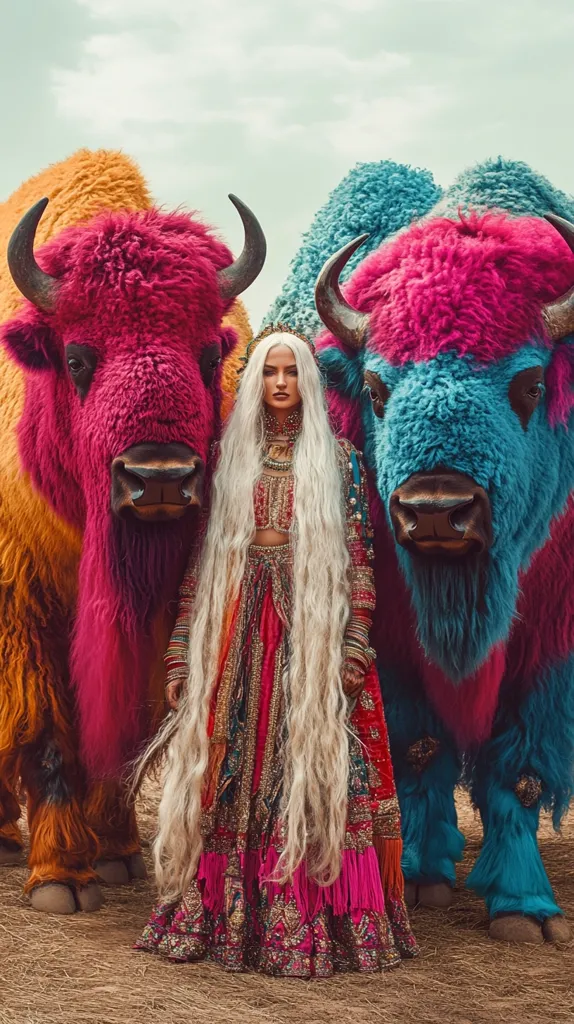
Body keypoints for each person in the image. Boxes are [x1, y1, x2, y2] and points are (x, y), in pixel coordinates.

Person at [133, 324, 417, 977]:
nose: (282, 383)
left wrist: (351, 645)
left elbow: (360, 564)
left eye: (292, 372)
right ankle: (224, 917)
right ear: (255, 382)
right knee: (226, 776)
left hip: (311, 641)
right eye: (270, 372)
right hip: (234, 638)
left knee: (314, 775)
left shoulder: (340, 460)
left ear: (306, 383)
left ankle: (313, 920)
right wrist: (182, 652)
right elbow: (201, 570)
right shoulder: (225, 460)